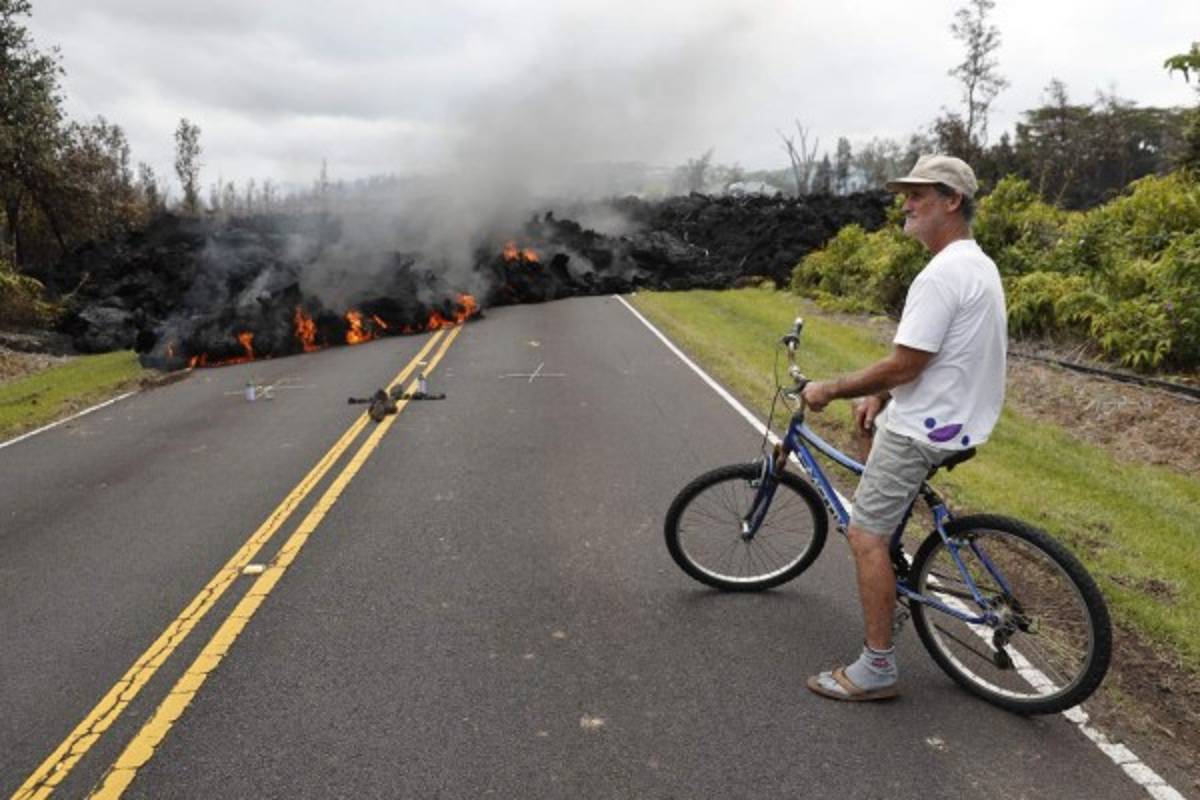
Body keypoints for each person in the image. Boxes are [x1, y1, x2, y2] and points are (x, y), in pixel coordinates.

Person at [800, 154, 1007, 702]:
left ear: (952, 201)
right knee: (877, 491)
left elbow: (906, 363)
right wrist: (880, 393)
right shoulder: (976, 264)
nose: (906, 205)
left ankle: (876, 668)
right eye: (905, 195)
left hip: (923, 428)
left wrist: (830, 388)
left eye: (918, 195)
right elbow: (936, 358)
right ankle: (891, 585)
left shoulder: (940, 275)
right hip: (958, 417)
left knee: (864, 534)